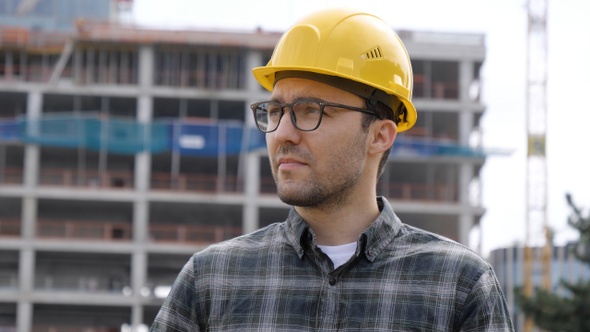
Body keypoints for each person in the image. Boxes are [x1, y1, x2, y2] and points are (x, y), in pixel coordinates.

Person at [150, 8, 514, 331]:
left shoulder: (459, 287)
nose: (283, 134)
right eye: (275, 111)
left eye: (311, 110)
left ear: (380, 135)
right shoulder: (212, 281)